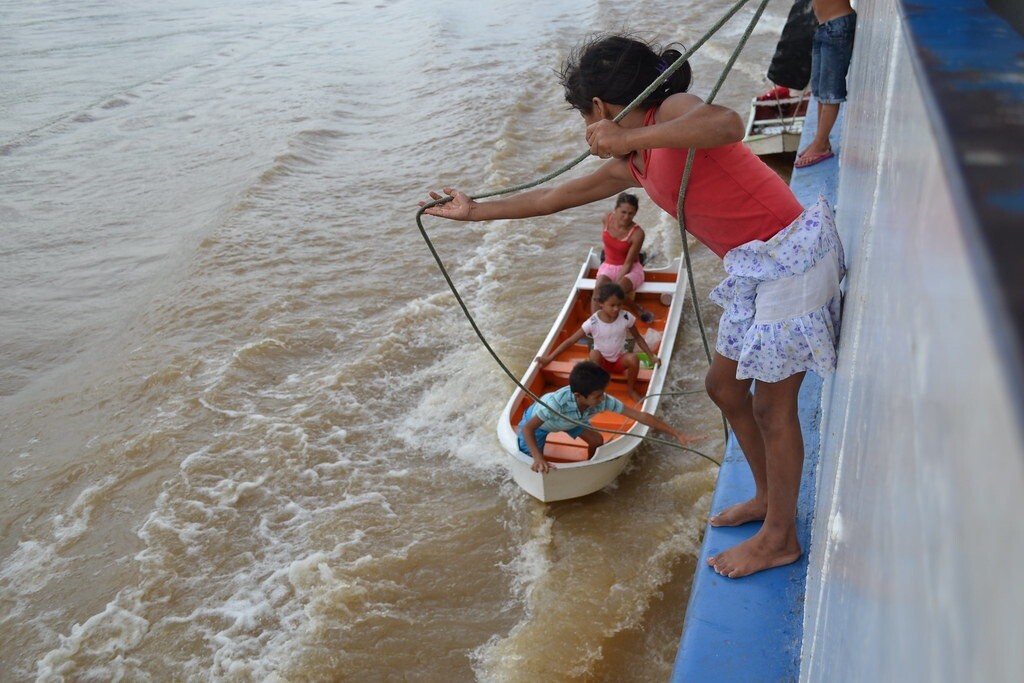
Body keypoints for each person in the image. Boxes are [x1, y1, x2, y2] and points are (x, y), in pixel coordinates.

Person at [422, 34, 845, 578]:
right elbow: (555, 197)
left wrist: (633, 132)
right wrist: (475, 211)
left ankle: (780, 538)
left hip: (792, 256)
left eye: (584, 117)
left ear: (599, 108)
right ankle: (767, 500)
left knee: (771, 407)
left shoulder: (670, 112)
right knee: (724, 387)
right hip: (756, 268)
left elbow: (727, 125)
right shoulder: (635, 161)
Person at [517, 360, 700, 474]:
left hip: (572, 421)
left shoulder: (602, 400)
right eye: (597, 396)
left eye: (602, 393)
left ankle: (587, 466)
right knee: (531, 461)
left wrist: (677, 434)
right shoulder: (556, 403)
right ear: (579, 395)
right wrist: (538, 458)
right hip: (541, 425)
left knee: (596, 439)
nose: (602, 399)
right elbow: (528, 429)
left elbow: (640, 416)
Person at [538, 282, 658, 402]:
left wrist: (651, 356)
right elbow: (570, 341)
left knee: (633, 359)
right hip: (601, 364)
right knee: (594, 353)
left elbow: (638, 338)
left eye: (619, 305)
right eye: (612, 305)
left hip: (619, 362)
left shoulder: (625, 316)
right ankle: (598, 390)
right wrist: (549, 358)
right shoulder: (593, 322)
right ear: (601, 304)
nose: (616, 309)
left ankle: (631, 390)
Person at [795, 0, 856, 168]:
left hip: (837, 26)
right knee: (819, 89)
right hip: (821, 26)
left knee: (830, 91)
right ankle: (821, 141)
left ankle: (820, 144)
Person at [595, 192, 654, 323]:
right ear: (615, 209)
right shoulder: (605, 218)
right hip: (608, 265)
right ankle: (594, 326)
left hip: (630, 269)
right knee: (597, 293)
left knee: (615, 293)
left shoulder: (638, 233)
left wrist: (614, 286)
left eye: (631, 213)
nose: (626, 217)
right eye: (623, 212)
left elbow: (628, 263)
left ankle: (637, 309)